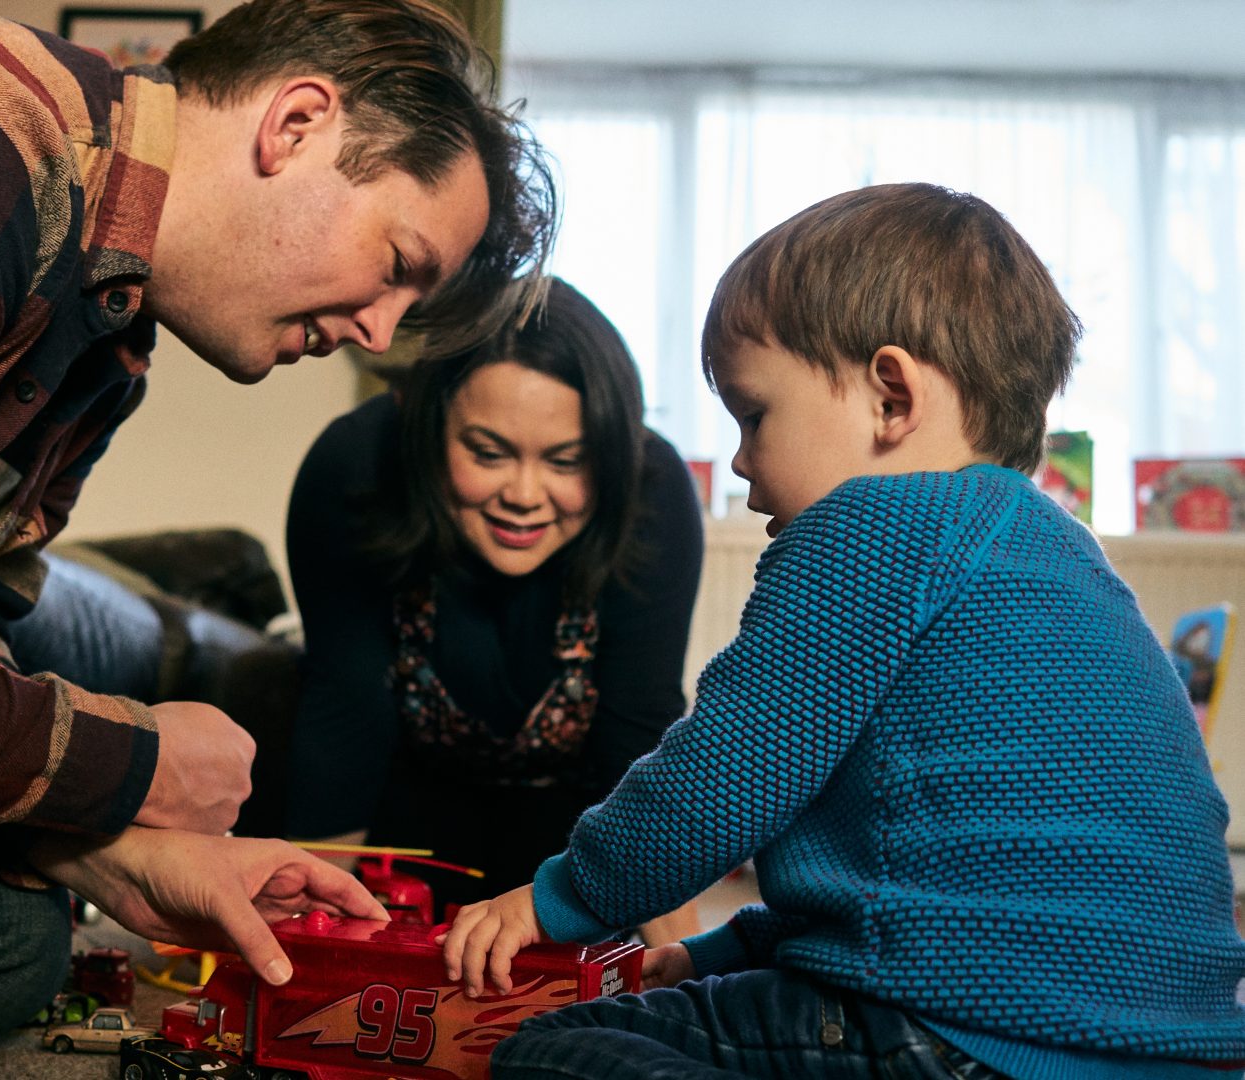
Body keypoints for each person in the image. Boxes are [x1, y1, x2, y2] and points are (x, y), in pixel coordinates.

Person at [0, 0, 555, 1075]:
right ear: (295, 126)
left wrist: (115, 850)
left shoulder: (113, 336)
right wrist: (127, 768)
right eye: (400, 261)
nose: (379, 333)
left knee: (17, 941)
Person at [440, 184, 1245, 1080]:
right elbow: (919, 865)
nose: (742, 459)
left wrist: (562, 900)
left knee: (544, 1054)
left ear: (890, 399)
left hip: (953, 1036)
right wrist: (722, 950)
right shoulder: (1063, 556)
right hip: (1164, 1048)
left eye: (755, 415)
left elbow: (722, 777)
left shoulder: (874, 527)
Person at [284, 278, 704, 942]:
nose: (525, 495)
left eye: (566, 462)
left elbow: (639, 730)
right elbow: (343, 711)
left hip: (573, 853)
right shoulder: (355, 466)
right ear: (430, 423)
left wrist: (681, 970)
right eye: (487, 453)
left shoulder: (653, 491)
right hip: (410, 833)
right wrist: (300, 942)